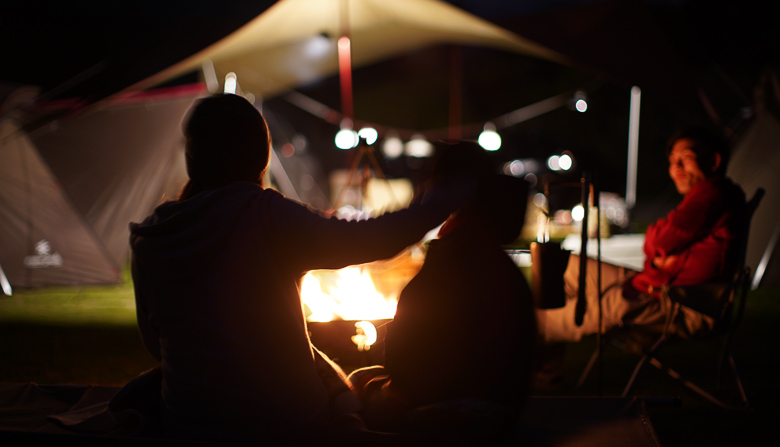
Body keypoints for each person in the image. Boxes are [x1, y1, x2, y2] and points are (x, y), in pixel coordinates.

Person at [128, 94, 470, 445]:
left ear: (191, 158)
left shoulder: (152, 236)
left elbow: (156, 347)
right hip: (285, 425)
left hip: (189, 426)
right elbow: (370, 238)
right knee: (357, 386)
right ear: (259, 157)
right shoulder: (265, 216)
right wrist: (443, 198)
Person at [349, 142, 536, 443]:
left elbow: (406, 365)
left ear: (446, 190)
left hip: (447, 409)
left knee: (356, 383)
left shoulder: (452, 258)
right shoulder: (497, 262)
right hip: (504, 407)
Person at [539, 127, 747, 344]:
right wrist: (662, 258)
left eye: (687, 158)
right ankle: (547, 365)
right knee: (565, 267)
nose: (676, 167)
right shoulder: (713, 196)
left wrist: (664, 256)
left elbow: (658, 241)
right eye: (672, 160)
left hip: (677, 304)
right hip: (654, 287)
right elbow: (659, 244)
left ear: (713, 162)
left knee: (541, 319)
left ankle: (541, 361)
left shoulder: (712, 193)